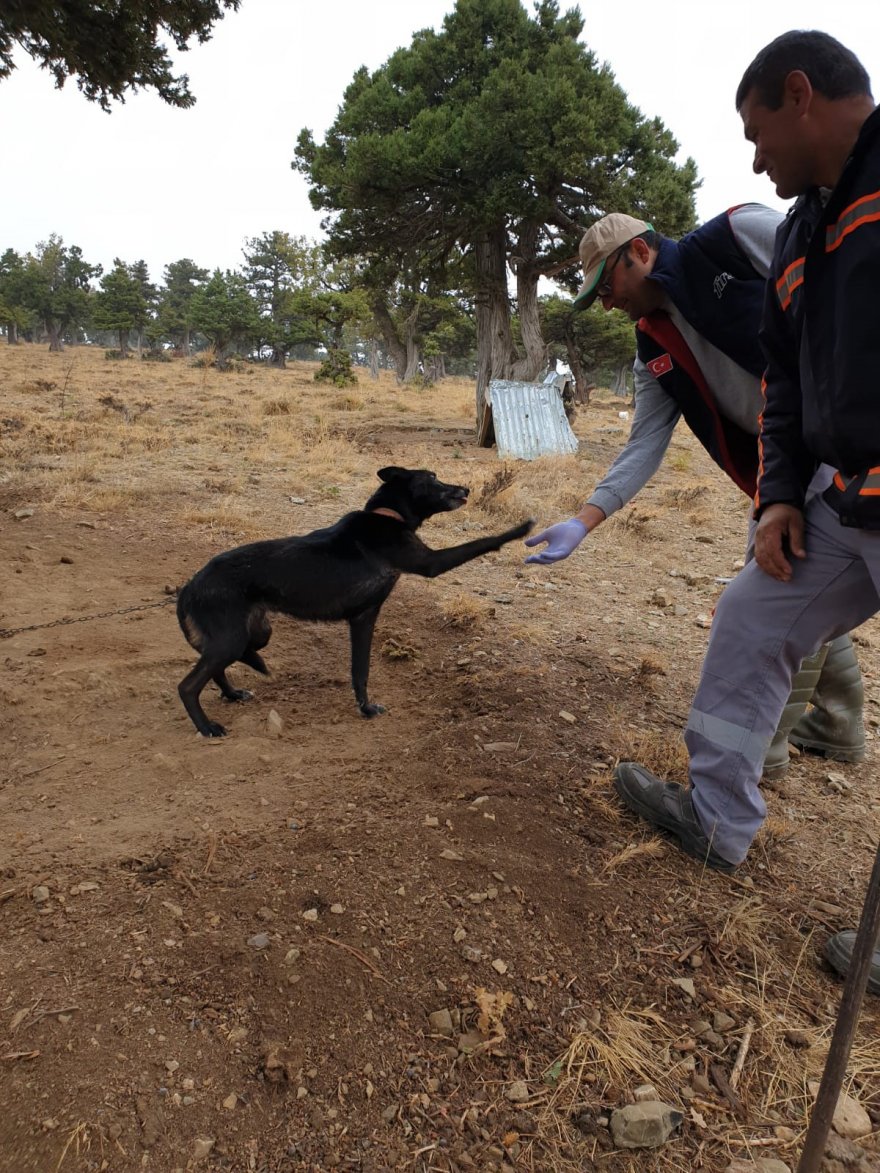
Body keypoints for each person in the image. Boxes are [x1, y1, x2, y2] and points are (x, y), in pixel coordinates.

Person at [608, 30, 880, 990]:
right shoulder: (805, 234)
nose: (753, 155)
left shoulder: (743, 234)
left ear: (799, 95)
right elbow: (788, 386)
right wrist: (775, 499)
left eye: (757, 129)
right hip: (840, 497)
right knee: (750, 616)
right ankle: (719, 822)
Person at [524, 205, 864, 774]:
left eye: (606, 285)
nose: (607, 304)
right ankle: (837, 723)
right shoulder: (651, 347)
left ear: (639, 251)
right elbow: (643, 446)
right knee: (795, 573)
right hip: (777, 468)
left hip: (838, 434)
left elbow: (832, 268)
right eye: (596, 298)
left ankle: (762, 753)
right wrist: (584, 520)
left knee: (775, 586)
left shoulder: (733, 236)